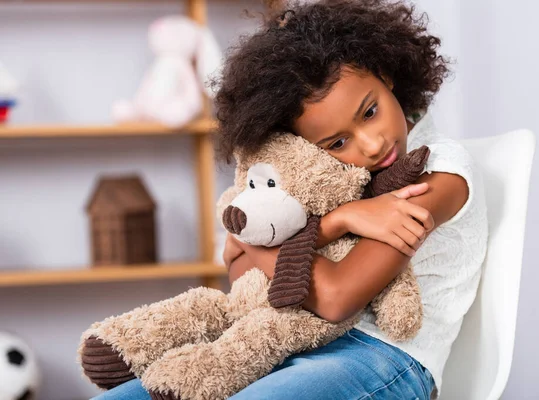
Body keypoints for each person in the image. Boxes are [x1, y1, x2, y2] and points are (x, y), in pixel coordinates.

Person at [92, 1, 488, 399]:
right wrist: (338, 221)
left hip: (385, 358)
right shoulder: (324, 174)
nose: (371, 144)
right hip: (286, 341)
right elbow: (243, 276)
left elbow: (335, 298)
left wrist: (249, 237)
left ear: (385, 75)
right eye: (337, 141)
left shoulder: (439, 173)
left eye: (369, 112)